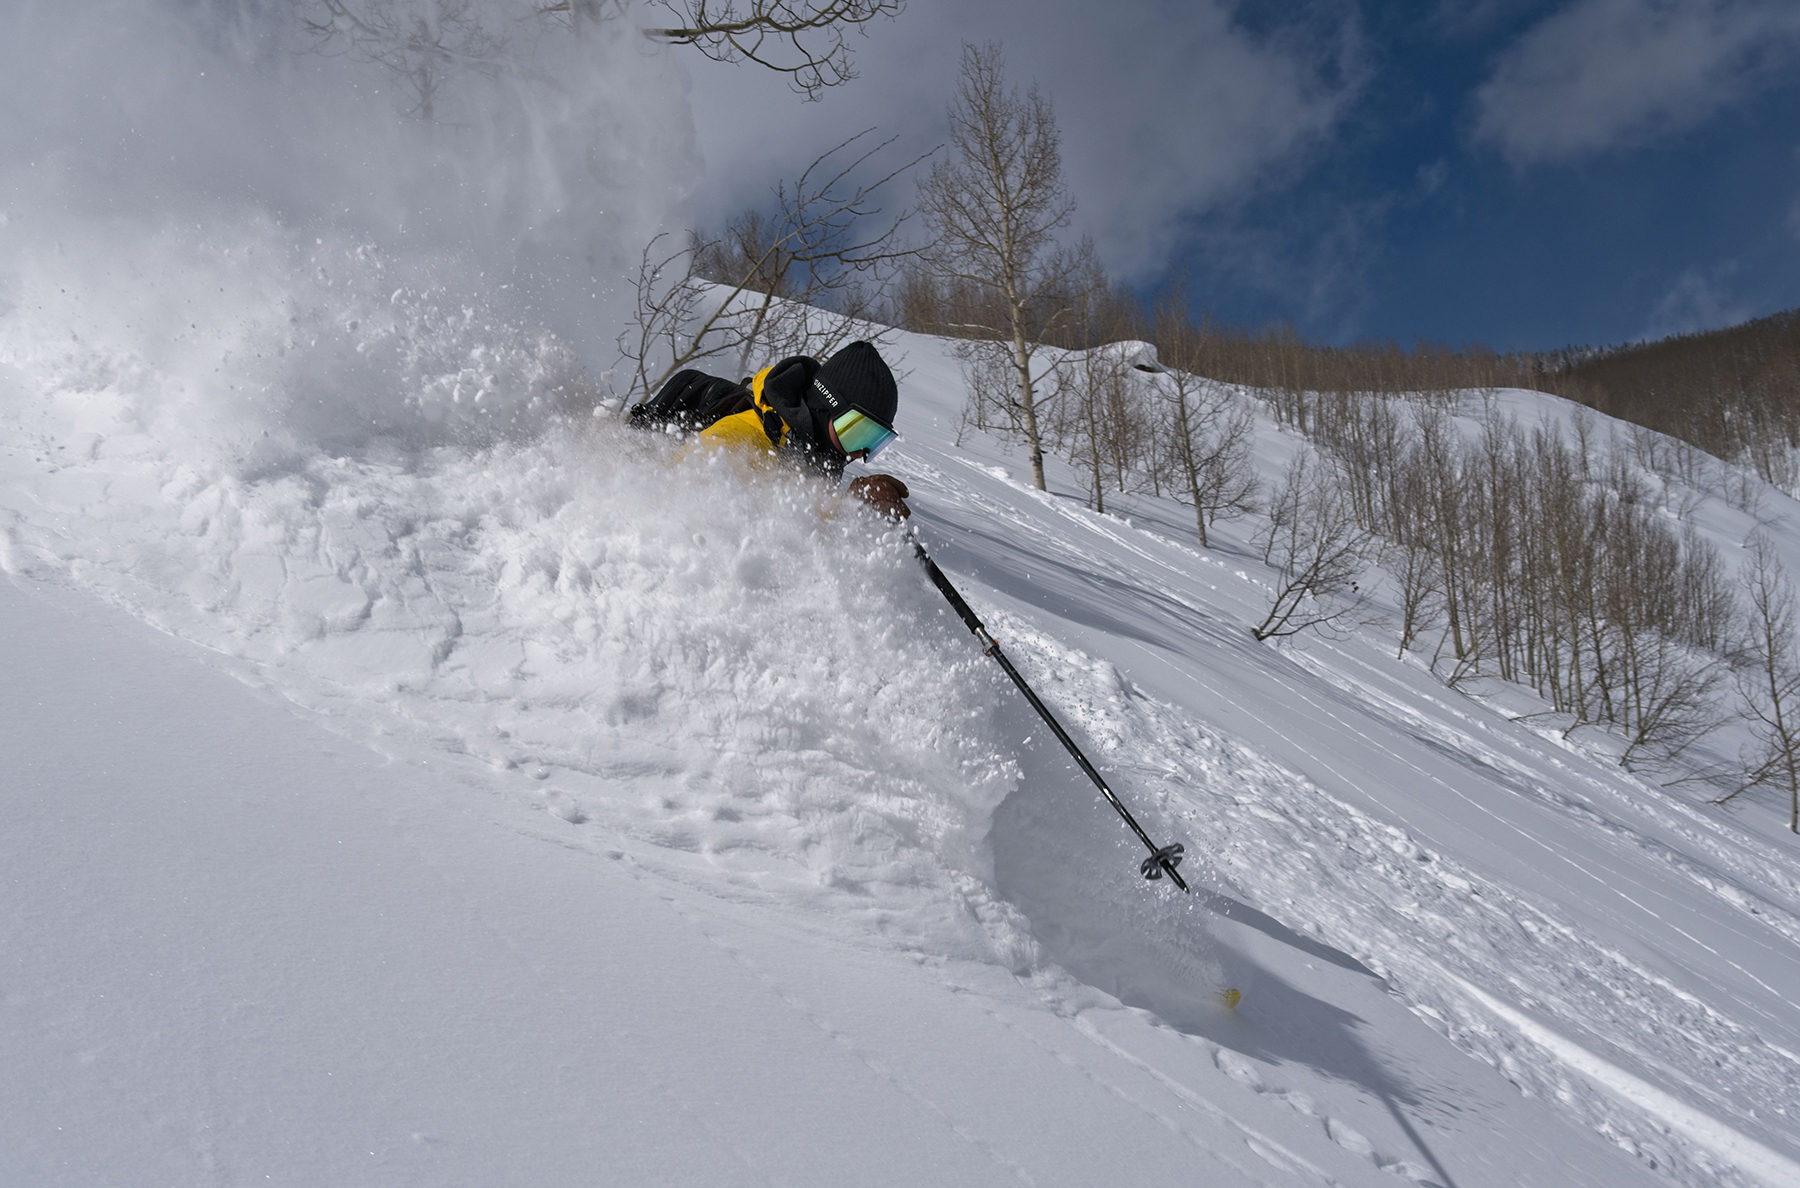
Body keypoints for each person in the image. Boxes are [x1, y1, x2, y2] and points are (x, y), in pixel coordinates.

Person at [627, 340, 912, 520]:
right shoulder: (739, 441)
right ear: (826, 404)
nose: (859, 452)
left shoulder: (813, 453)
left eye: (875, 440)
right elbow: (673, 512)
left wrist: (851, 506)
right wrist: (844, 508)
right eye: (858, 431)